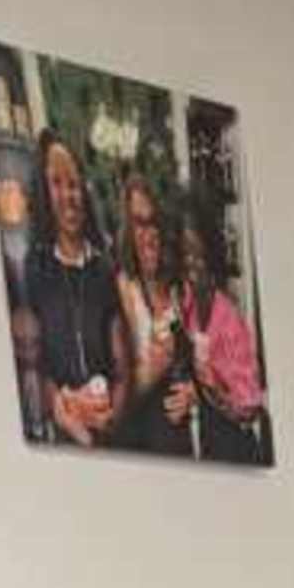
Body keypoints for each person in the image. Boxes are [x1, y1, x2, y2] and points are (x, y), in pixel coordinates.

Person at [19, 130, 122, 448]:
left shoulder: (106, 270)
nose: (68, 195)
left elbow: (122, 363)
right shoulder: (34, 269)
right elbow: (32, 361)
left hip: (111, 429)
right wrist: (60, 404)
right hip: (63, 437)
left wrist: (111, 412)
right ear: (43, 191)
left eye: (74, 183)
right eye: (56, 183)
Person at [114, 170, 199, 459]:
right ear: (127, 229)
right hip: (142, 453)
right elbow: (114, 401)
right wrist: (150, 371)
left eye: (155, 224)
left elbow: (209, 367)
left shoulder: (181, 289)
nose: (149, 236)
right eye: (139, 224)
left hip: (184, 449)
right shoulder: (122, 291)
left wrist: (194, 393)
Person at [180, 207, 270, 468]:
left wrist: (210, 390)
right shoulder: (187, 306)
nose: (191, 261)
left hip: (235, 449)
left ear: (212, 259)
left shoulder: (229, 320)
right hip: (207, 443)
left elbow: (249, 407)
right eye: (185, 253)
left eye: (199, 254)